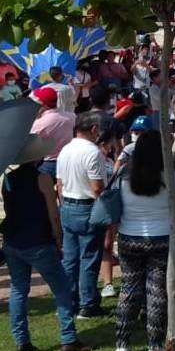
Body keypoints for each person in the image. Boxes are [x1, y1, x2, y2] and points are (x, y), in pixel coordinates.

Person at [0, 135, 91, 351]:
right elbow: (53, 213)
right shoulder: (41, 179)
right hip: (38, 241)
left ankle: (22, 340)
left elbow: (8, 208)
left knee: (18, 289)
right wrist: (58, 239)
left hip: (13, 241)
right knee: (61, 288)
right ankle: (68, 338)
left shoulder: (8, 179)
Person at [114, 130, 175, 351]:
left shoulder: (123, 175)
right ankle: (154, 345)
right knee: (157, 292)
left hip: (128, 238)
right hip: (162, 239)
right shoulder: (169, 176)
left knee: (128, 290)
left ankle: (122, 344)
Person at [55, 112, 107, 318]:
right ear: (94, 129)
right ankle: (88, 303)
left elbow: (59, 184)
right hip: (86, 207)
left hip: (67, 204)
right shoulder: (93, 153)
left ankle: (69, 301)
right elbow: (97, 188)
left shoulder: (65, 150)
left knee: (70, 258)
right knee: (89, 258)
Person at [30, 86, 75, 181]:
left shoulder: (39, 123)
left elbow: (30, 143)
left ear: (43, 105)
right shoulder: (72, 117)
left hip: (48, 164)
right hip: (69, 162)